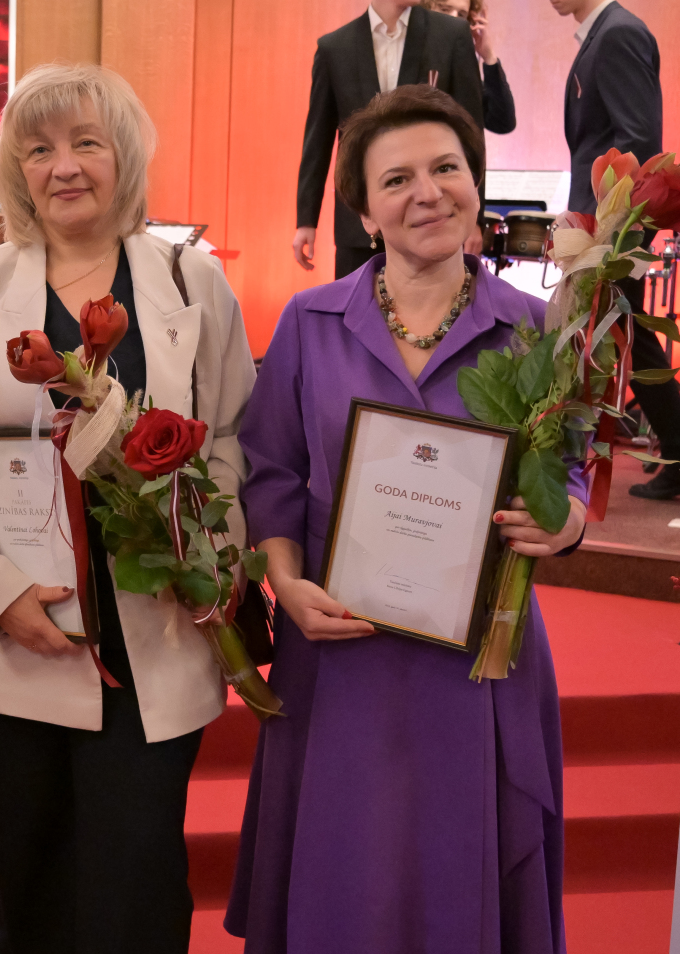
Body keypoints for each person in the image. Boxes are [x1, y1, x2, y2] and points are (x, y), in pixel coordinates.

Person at [0, 64, 256, 954]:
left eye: (86, 143)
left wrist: (207, 552)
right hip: (20, 631)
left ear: (123, 155)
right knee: (26, 883)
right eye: (39, 149)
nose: (63, 166)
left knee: (135, 882)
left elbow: (234, 437)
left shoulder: (191, 282)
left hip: (155, 625)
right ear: (17, 171)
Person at [227, 85, 583, 953]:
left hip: (479, 655)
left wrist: (565, 522)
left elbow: (571, 469)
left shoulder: (536, 329)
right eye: (397, 179)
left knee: (463, 870)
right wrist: (285, 583)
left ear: (475, 182)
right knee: (344, 870)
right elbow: (270, 472)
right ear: (364, 210)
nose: (428, 194)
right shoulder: (310, 323)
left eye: (446, 169)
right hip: (339, 645)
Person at [553, 0, 677, 499]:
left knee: (624, 340)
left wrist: (610, 232)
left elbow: (638, 141)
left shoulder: (618, 34)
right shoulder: (603, 34)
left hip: (613, 229)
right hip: (603, 225)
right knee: (625, 339)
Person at [294, 1, 485, 279]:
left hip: (434, 217)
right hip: (359, 224)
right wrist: (306, 220)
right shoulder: (334, 47)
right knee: (357, 301)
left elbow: (472, 133)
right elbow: (318, 141)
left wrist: (476, 219)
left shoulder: (451, 34)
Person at [421, 0, 516, 133]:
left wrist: (489, 57)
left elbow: (502, 122)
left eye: (461, 14)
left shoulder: (461, 67)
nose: (453, 19)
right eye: (444, 9)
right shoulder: (408, 49)